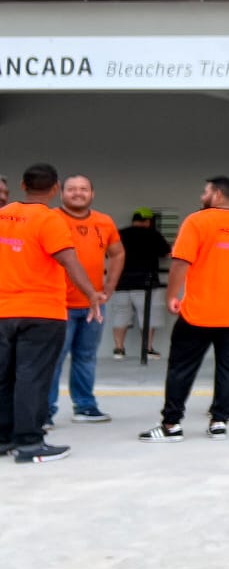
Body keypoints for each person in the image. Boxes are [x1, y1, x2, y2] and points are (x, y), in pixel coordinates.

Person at [139, 176, 229, 442]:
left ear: (218, 195)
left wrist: (171, 296)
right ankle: (219, 422)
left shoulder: (197, 221)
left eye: (206, 191)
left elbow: (180, 262)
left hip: (199, 312)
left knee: (181, 368)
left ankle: (171, 425)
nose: (202, 195)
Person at [1, 164, 105, 463]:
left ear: (22, 185)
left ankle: (3, 438)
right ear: (56, 188)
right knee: (32, 377)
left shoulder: (2, 215)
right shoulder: (49, 220)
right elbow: (70, 262)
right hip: (41, 314)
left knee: (4, 377)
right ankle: (30, 444)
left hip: (3, 312)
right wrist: (91, 295)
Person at [49, 174, 124, 423]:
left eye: (83, 189)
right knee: (53, 360)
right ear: (62, 193)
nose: (77, 193)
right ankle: (44, 412)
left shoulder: (104, 222)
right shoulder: (51, 220)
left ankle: (85, 407)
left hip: (93, 306)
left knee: (85, 357)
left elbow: (117, 253)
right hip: (57, 305)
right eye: (71, 189)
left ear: (92, 194)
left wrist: (109, 287)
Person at [110, 208, 170, 359]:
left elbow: (109, 253)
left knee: (121, 315)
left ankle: (118, 349)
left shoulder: (120, 234)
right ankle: (148, 349)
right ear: (148, 221)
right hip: (146, 284)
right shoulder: (153, 235)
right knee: (148, 316)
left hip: (121, 282)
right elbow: (167, 253)